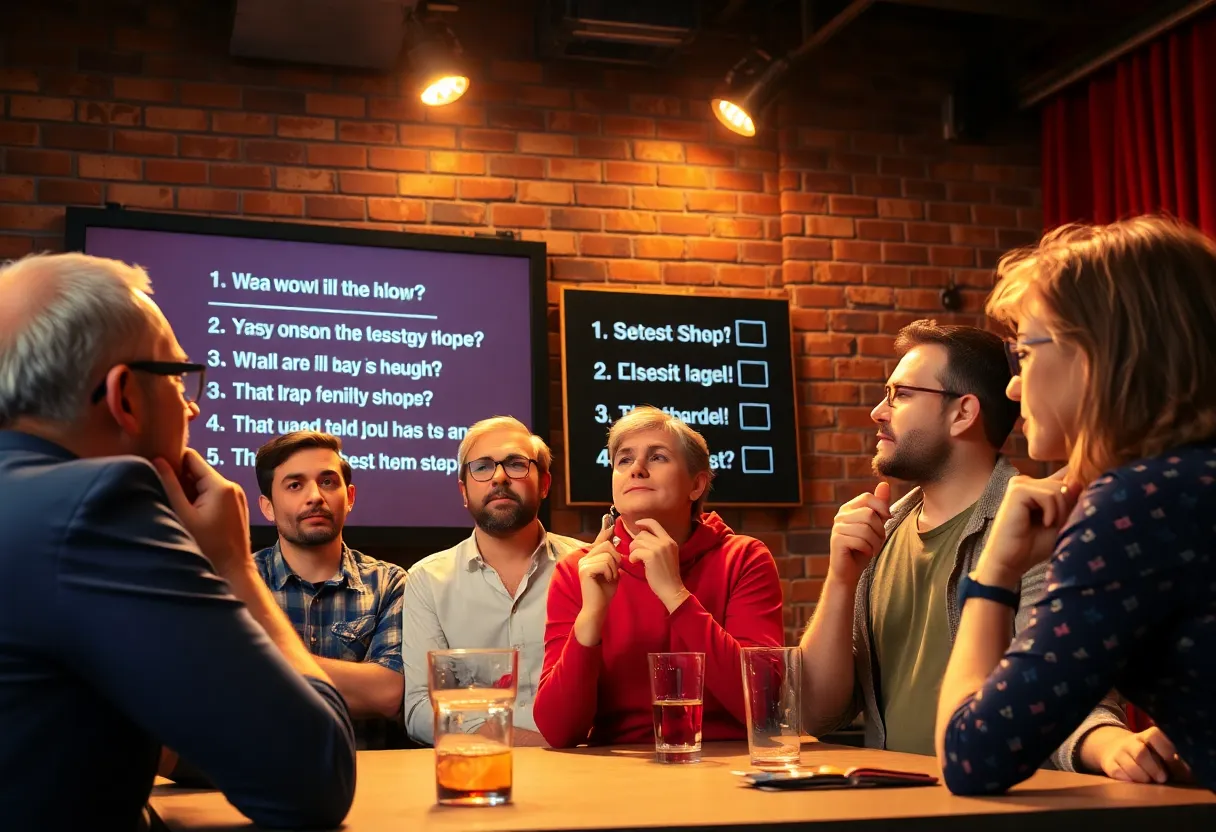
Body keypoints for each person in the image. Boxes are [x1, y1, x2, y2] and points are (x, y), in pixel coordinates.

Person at [0, 253, 355, 831]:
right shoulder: (101, 504)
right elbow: (315, 777)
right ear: (126, 398)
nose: (192, 405)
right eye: (179, 378)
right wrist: (232, 564)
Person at [937, 217, 1216, 794]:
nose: (1013, 388)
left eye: (1025, 354)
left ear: (1097, 356)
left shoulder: (1138, 501)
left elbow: (972, 755)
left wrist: (995, 572)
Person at [800, 320, 1145, 776]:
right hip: (891, 809)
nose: (878, 412)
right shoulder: (879, 536)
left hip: (1001, 809)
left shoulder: (1037, 525)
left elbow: (1064, 695)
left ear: (963, 413)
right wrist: (841, 579)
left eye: (900, 394)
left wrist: (1110, 746)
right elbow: (817, 714)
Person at [534, 406, 783, 748]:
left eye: (658, 457)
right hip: (620, 773)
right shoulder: (578, 571)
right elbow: (559, 732)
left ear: (696, 484)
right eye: (623, 460)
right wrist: (591, 615)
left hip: (729, 762)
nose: (636, 469)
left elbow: (763, 705)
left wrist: (675, 595)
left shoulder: (743, 558)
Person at [401, 417, 581, 746]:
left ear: (544, 484)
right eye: (482, 467)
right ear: (464, 491)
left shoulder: (587, 566)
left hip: (589, 768)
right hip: (479, 765)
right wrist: (517, 741)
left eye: (515, 464)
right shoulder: (427, 580)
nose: (499, 477)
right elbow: (419, 708)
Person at [253, 431, 407, 749]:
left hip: (368, 780)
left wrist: (259, 667)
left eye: (327, 482)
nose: (315, 497)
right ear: (267, 507)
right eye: (295, 485)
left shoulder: (390, 583)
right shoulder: (241, 582)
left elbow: (387, 694)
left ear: (349, 497)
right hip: (259, 772)